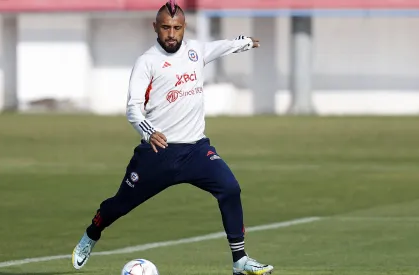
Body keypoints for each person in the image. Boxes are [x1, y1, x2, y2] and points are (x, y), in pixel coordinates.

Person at [72, 1, 274, 274]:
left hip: (195, 151)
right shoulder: (147, 62)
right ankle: (92, 233)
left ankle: (240, 261)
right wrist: (148, 131)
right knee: (119, 205)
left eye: (176, 28)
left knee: (230, 188)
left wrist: (244, 42)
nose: (171, 33)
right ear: (155, 27)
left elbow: (220, 46)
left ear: (184, 28)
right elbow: (133, 107)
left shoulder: (194, 51)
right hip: (158, 153)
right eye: (165, 27)